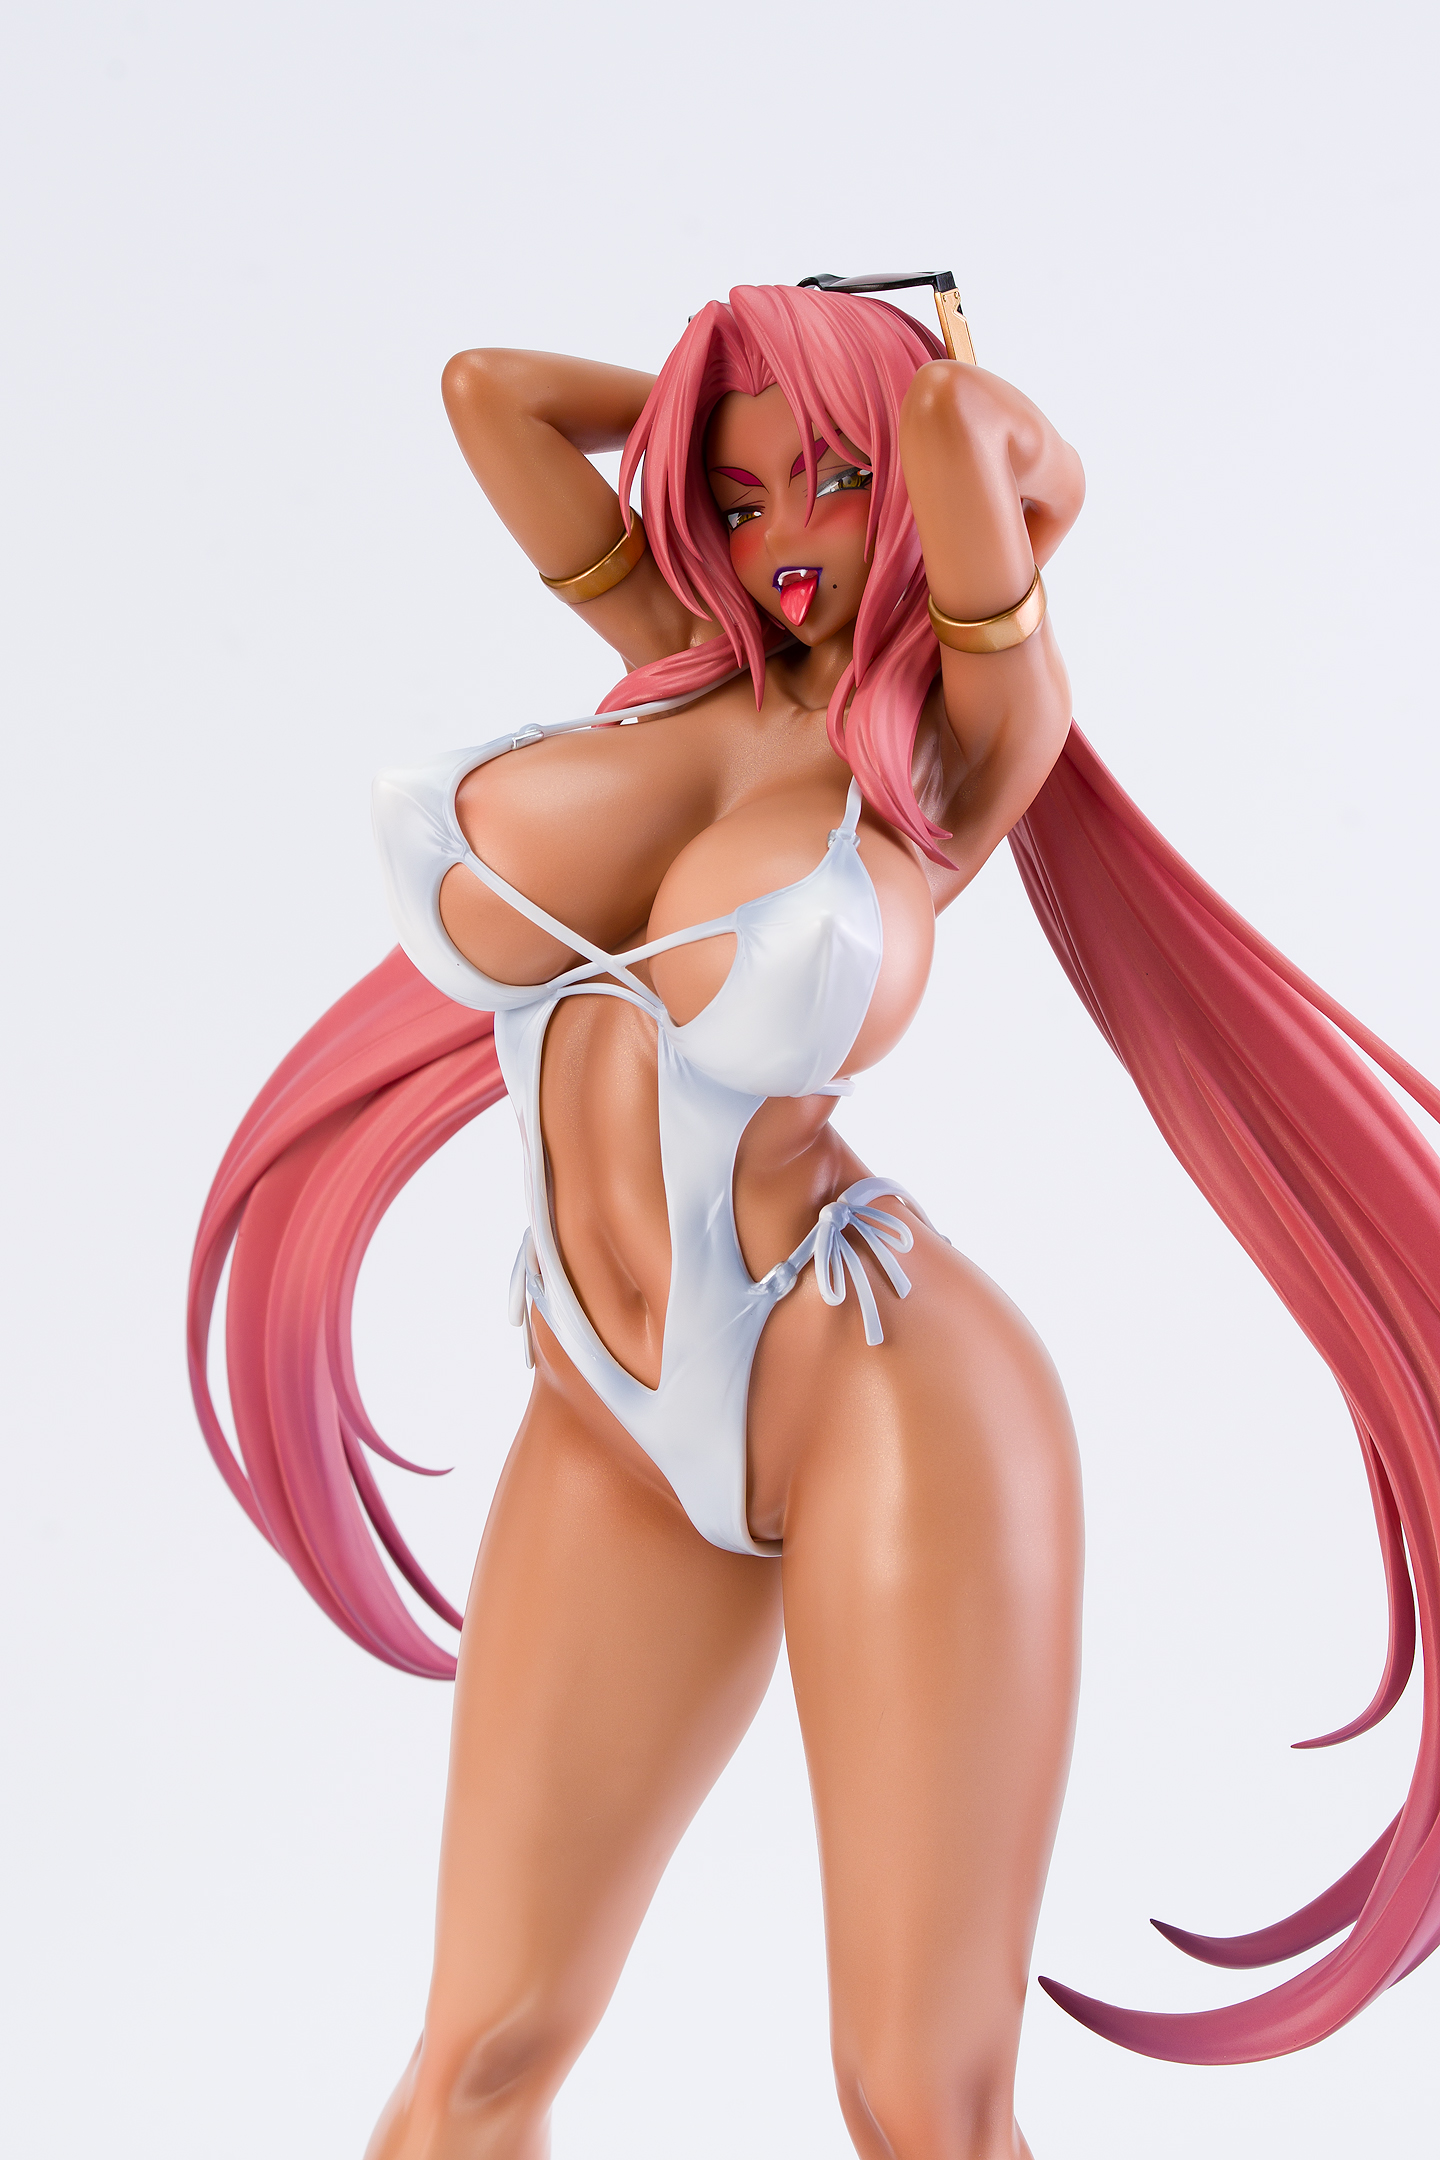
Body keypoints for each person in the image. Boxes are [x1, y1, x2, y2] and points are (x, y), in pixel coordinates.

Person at [188, 282, 1440, 2160]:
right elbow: (488, 394)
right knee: (479, 2057)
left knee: (918, 2105)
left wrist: (901, 402)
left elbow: (1010, 455)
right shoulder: (677, 650)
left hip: (880, 1394)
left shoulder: (953, 742)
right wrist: (735, 399)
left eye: (833, 486)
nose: (783, 536)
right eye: (740, 492)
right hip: (609, 1416)